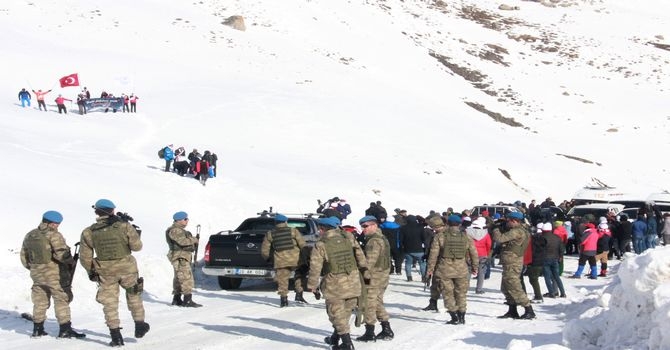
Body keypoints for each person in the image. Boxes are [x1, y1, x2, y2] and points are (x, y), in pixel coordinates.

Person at [79, 199, 149, 346]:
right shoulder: (124, 226)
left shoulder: (89, 231)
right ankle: (139, 324)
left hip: (105, 271)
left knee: (109, 303)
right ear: (112, 211)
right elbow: (137, 247)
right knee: (133, 294)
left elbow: (85, 257)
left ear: (96, 211)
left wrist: (91, 271)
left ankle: (116, 336)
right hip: (127, 269)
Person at [20, 211, 85, 339]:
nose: (58, 226)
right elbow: (61, 255)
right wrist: (71, 262)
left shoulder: (30, 235)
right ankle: (65, 330)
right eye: (57, 224)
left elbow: (23, 257)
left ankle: (37, 329)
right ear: (52, 223)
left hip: (37, 275)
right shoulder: (54, 235)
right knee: (61, 300)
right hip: (55, 275)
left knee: (40, 301)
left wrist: (34, 268)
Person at [307, 216, 368, 350]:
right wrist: (364, 270)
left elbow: (315, 266)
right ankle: (335, 338)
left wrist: (312, 285)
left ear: (322, 229)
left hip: (334, 284)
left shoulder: (321, 244)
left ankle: (347, 344)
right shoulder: (348, 237)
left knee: (335, 314)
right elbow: (360, 255)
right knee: (345, 312)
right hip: (353, 280)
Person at [426, 214, 478, 325]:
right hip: (462, 270)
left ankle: (454, 317)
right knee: (461, 293)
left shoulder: (440, 236)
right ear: (460, 224)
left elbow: (433, 254)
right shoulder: (466, 236)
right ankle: (462, 316)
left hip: (444, 270)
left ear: (448, 223)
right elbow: (474, 253)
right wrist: (475, 267)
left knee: (447, 293)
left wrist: (430, 269)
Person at [356, 216, 394, 342]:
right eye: (362, 226)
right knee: (377, 301)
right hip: (382, 275)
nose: (363, 229)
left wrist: (361, 273)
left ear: (374, 225)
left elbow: (369, 263)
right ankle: (386, 328)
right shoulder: (381, 237)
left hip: (373, 276)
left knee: (368, 303)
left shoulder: (373, 241)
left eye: (366, 226)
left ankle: (370, 332)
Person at [492, 212, 535, 320]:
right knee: (506, 287)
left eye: (508, 221)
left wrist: (495, 228)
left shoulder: (517, 231)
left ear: (514, 221)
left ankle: (529, 310)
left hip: (513, 263)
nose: (507, 223)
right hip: (510, 263)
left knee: (514, 287)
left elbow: (500, 239)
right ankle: (512, 310)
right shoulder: (519, 230)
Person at [261, 213, 307, 307]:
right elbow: (302, 245)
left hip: (280, 260)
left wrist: (268, 258)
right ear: (286, 222)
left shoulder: (270, 234)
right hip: (295, 259)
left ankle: (284, 300)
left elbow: (264, 250)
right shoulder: (293, 231)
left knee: (282, 280)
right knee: (299, 274)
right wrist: (306, 256)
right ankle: (299, 294)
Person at [166, 211, 201, 307]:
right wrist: (193, 239)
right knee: (186, 278)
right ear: (179, 220)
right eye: (185, 219)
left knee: (179, 278)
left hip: (182, 256)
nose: (187, 221)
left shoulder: (179, 230)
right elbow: (182, 242)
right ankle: (187, 300)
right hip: (180, 257)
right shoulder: (175, 230)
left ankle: (177, 299)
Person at [466, 217, 492, 294]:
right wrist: (487, 253)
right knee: (481, 272)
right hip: (482, 254)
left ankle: (465, 288)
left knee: (468, 271)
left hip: (470, 254)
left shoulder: (467, 232)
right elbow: (489, 244)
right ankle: (479, 289)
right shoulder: (485, 233)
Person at [569, 215, 599, 279]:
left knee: (582, 262)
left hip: (586, 249)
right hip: (593, 250)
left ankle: (578, 274)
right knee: (593, 262)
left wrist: (580, 242)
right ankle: (594, 275)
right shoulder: (596, 232)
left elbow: (583, 241)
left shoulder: (588, 233)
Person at [400, 215, 428, 282]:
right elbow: (424, 238)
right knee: (422, 263)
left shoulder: (403, 228)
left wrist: (402, 246)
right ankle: (423, 277)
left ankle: (409, 277)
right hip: (419, 248)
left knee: (408, 263)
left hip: (407, 249)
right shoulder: (420, 227)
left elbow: (401, 239)